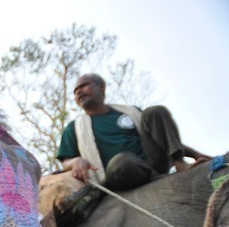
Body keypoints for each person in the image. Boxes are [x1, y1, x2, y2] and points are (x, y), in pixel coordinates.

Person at [56, 73, 209, 191]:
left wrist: (196, 155)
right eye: (75, 91)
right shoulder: (74, 128)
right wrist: (75, 161)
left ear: (101, 87)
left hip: (154, 163)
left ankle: (179, 163)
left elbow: (164, 137)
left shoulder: (130, 111)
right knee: (121, 162)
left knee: (154, 112)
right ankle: (159, 180)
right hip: (121, 172)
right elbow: (65, 162)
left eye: (84, 86)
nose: (79, 92)